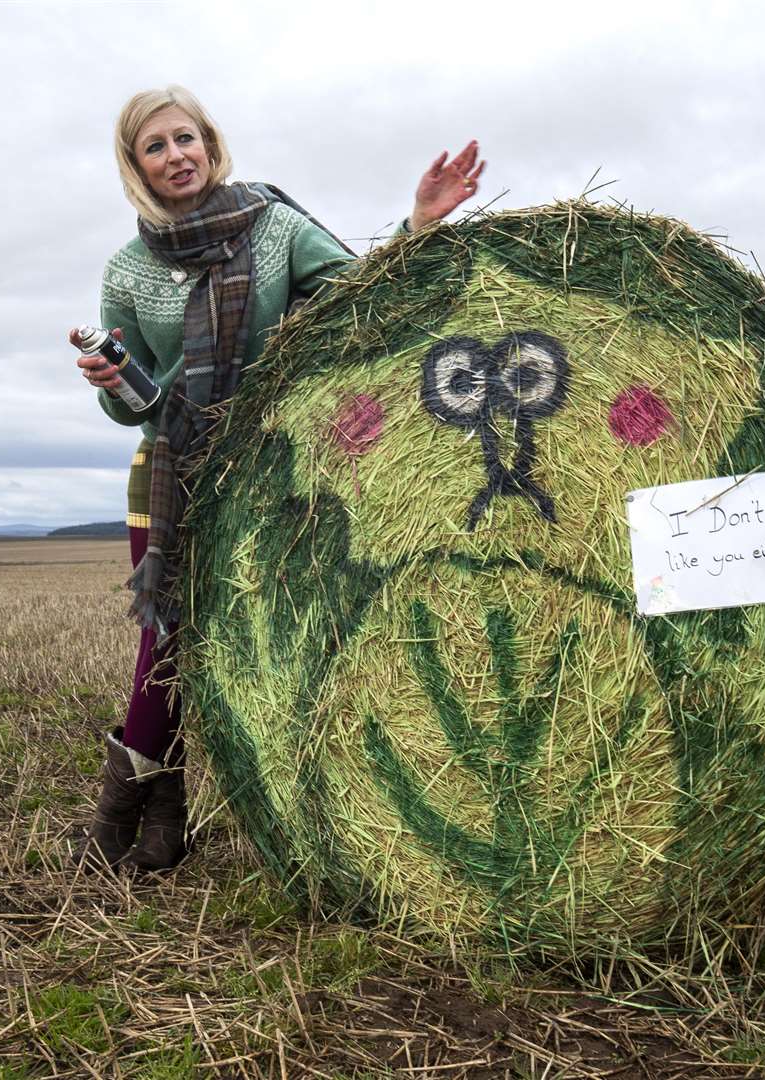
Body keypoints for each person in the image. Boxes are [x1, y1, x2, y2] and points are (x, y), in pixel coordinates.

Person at [69, 85, 484, 873]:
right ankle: (149, 814)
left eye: (184, 138)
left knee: (237, 638)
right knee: (165, 639)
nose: (175, 156)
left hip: (263, 468)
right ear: (136, 167)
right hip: (167, 469)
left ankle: (149, 811)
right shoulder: (126, 270)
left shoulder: (274, 228)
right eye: (154, 147)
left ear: (210, 141)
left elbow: (357, 302)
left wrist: (418, 226)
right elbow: (134, 406)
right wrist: (108, 380)